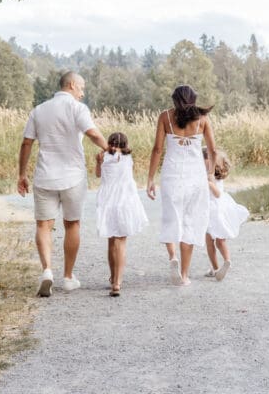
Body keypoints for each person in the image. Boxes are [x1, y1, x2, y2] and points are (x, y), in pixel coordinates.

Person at [17, 71, 107, 297]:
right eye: (82, 87)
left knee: (43, 225)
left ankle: (47, 270)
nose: (83, 92)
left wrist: (22, 174)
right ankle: (68, 277)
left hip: (45, 176)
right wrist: (111, 149)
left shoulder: (39, 110)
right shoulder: (77, 109)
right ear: (71, 85)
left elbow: (27, 143)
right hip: (73, 178)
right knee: (72, 225)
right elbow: (93, 134)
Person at [146, 84, 216, 286]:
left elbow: (157, 150)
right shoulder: (202, 119)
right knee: (190, 222)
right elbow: (212, 150)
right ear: (193, 99)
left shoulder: (165, 117)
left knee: (171, 217)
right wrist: (210, 173)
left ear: (174, 100)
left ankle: (172, 256)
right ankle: (184, 275)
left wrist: (150, 179)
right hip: (195, 176)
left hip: (172, 175)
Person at [95, 131, 148, 297]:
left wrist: (98, 161)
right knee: (121, 242)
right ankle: (117, 282)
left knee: (111, 241)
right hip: (125, 202)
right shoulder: (128, 158)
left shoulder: (104, 157)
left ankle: (112, 278)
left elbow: (98, 174)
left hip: (108, 202)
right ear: (125, 145)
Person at [203, 148, 250, 281]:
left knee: (210, 241)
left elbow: (216, 194)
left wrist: (208, 183)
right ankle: (227, 260)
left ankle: (215, 269)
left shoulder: (210, 176)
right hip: (219, 209)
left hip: (212, 210)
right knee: (220, 240)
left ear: (209, 161)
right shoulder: (216, 175)